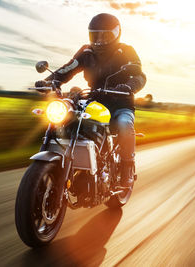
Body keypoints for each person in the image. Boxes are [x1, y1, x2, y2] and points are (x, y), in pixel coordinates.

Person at [35, 13, 146, 188]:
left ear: (116, 34)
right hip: (93, 102)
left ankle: (126, 168)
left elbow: (139, 75)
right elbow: (67, 69)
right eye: (96, 35)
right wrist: (50, 82)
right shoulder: (86, 51)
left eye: (106, 35)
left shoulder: (126, 51)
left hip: (120, 103)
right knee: (67, 116)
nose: (100, 40)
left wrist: (128, 87)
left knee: (124, 124)